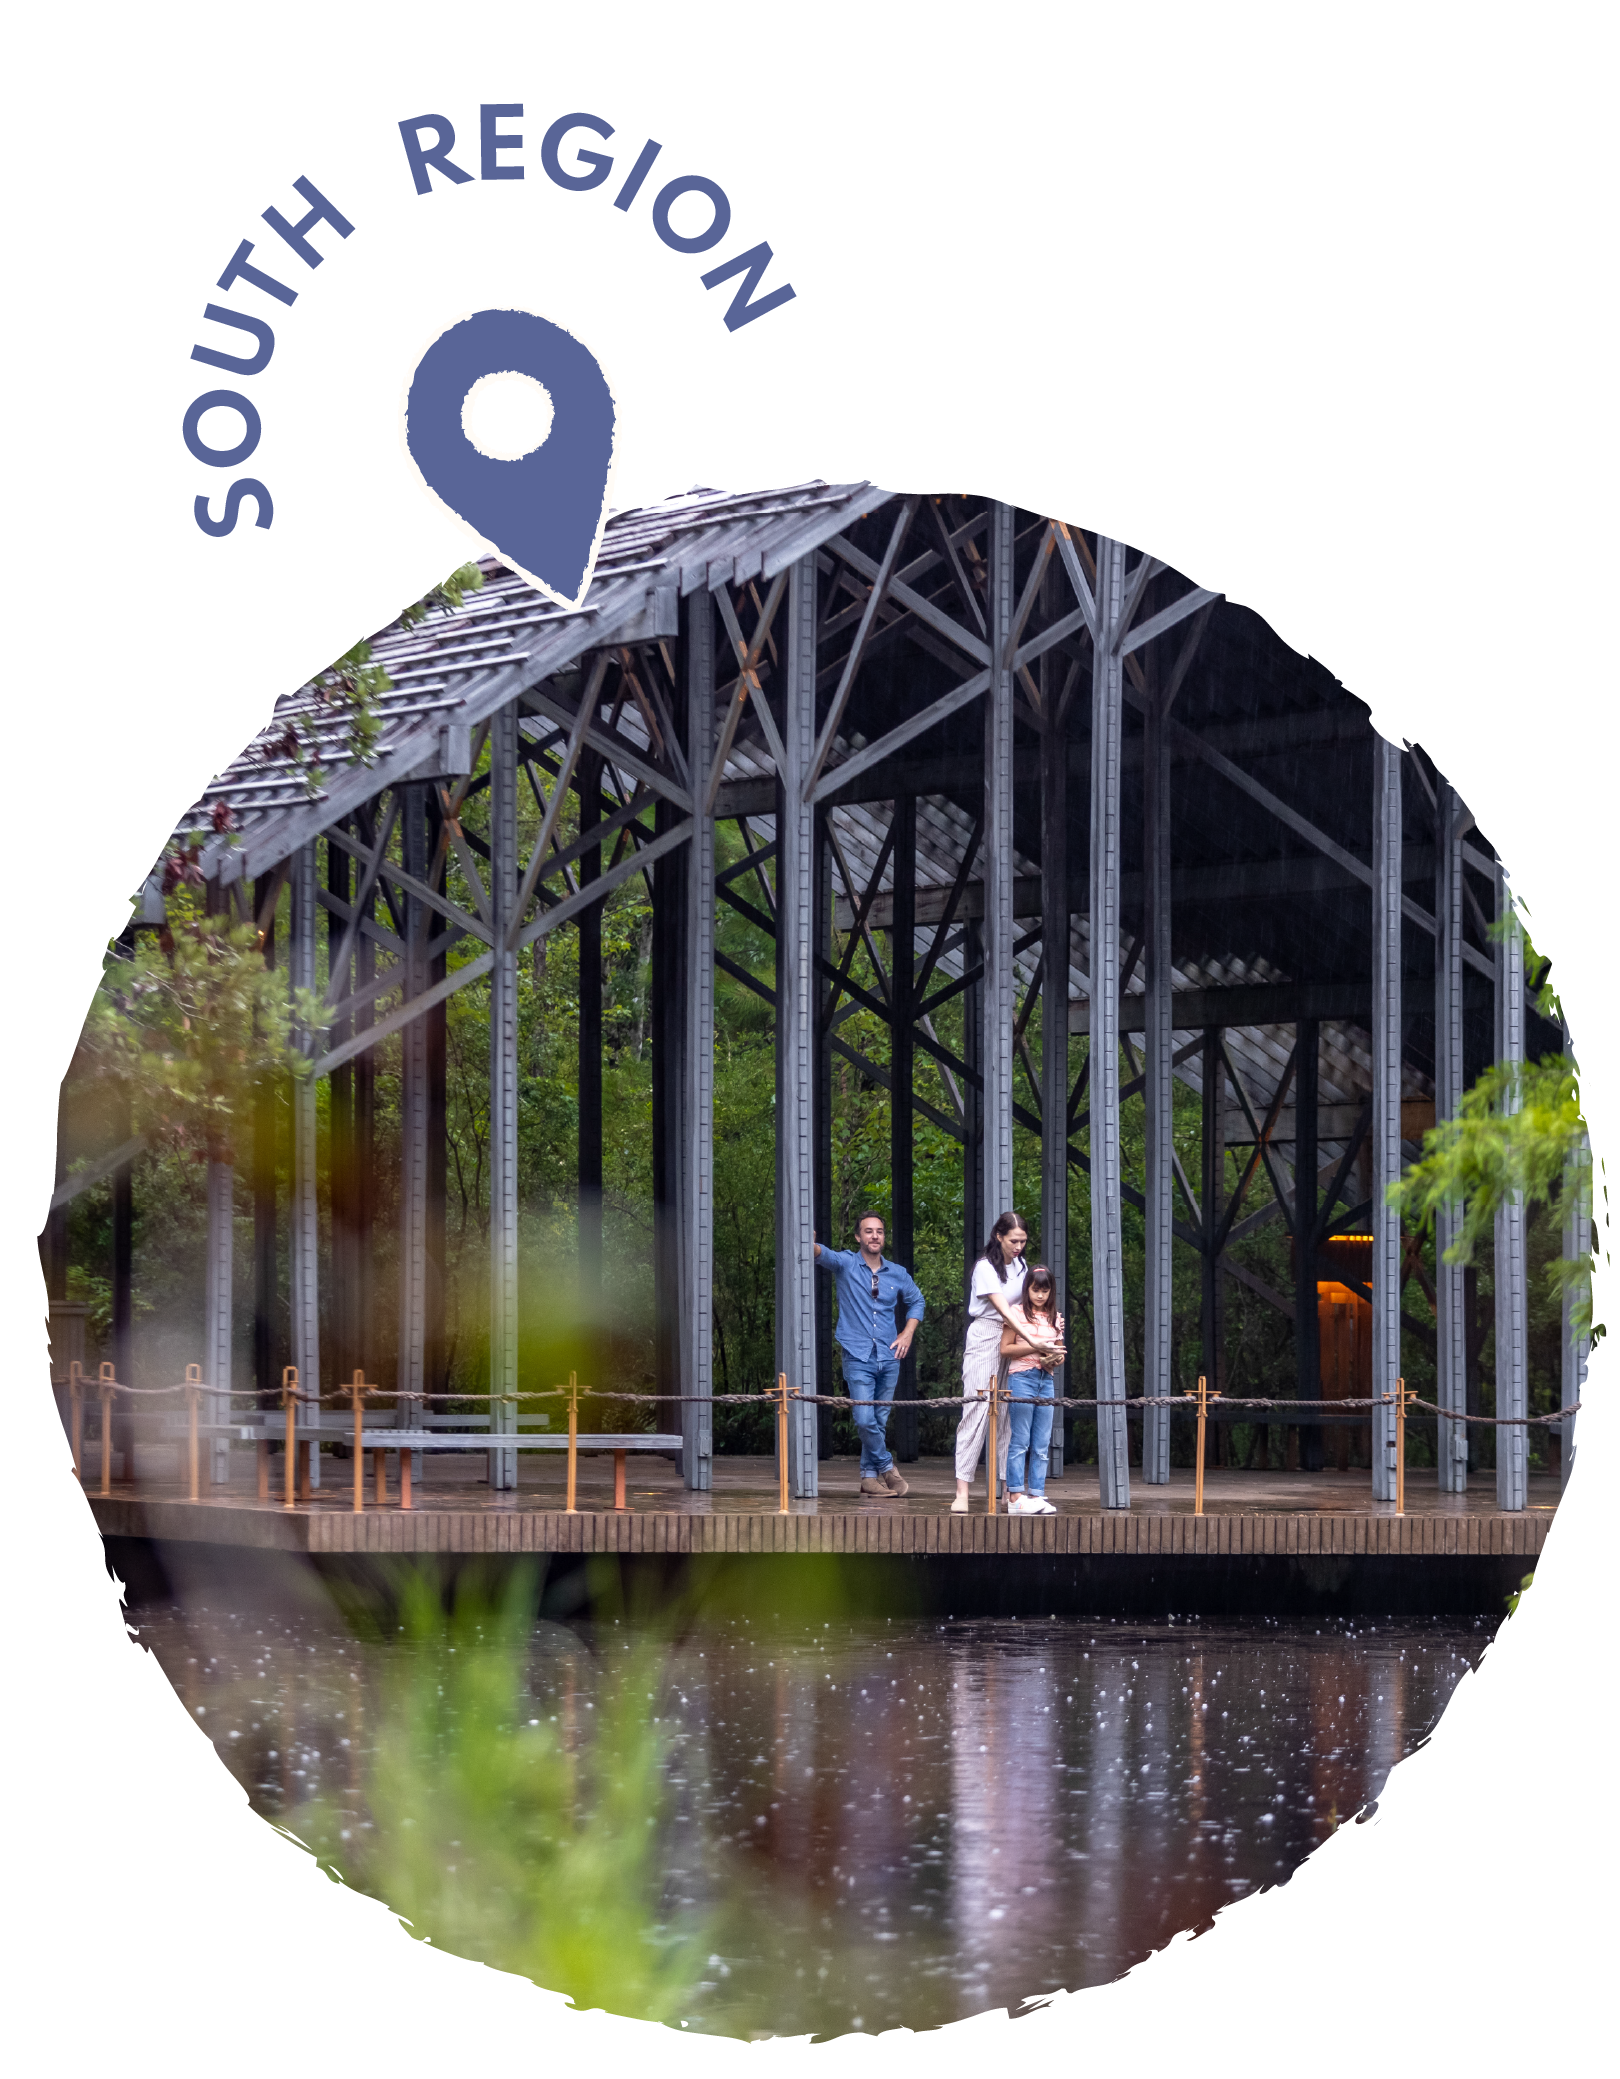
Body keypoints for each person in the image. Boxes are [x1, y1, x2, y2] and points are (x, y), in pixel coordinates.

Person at [814, 1213, 925, 1496]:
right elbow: (821, 1254)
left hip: (889, 1356)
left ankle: (868, 1477)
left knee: (879, 1419)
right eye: (868, 1231)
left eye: (879, 1231)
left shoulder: (897, 1273)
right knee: (865, 1419)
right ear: (858, 1237)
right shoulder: (847, 1263)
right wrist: (807, 1241)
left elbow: (917, 1301)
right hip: (858, 1355)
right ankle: (888, 1468)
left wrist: (907, 1332)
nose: (875, 1236)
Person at [952, 1212, 1029, 1514]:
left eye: (1023, 1241)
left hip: (1014, 1337)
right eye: (1013, 1240)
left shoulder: (1022, 1266)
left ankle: (1007, 1490)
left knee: (1009, 1412)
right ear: (999, 1237)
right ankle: (962, 1491)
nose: (1018, 1246)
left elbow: (1025, 1307)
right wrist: (1033, 1341)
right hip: (987, 1332)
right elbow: (1003, 1309)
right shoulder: (985, 1268)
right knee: (977, 1409)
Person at [1001, 1265, 1065, 1515]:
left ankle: (1037, 1494)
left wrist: (1055, 1357)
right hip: (1022, 1378)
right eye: (1035, 1290)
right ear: (1027, 1289)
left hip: (1045, 1378)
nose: (1040, 1295)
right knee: (1020, 1440)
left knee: (1041, 1442)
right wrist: (1035, 1347)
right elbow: (1005, 1349)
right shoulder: (1015, 1313)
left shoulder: (1055, 1317)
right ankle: (1015, 1495)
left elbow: (1060, 1351)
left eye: (1045, 1290)